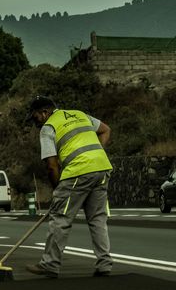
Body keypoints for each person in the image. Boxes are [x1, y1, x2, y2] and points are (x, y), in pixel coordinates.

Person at [24, 96, 113, 278]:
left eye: (35, 118)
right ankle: (104, 264)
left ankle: (50, 264)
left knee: (60, 218)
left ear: (44, 112)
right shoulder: (79, 114)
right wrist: (96, 153)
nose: (35, 123)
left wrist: (57, 190)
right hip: (102, 168)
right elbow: (105, 130)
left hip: (77, 172)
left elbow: (51, 165)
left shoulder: (49, 128)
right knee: (97, 218)